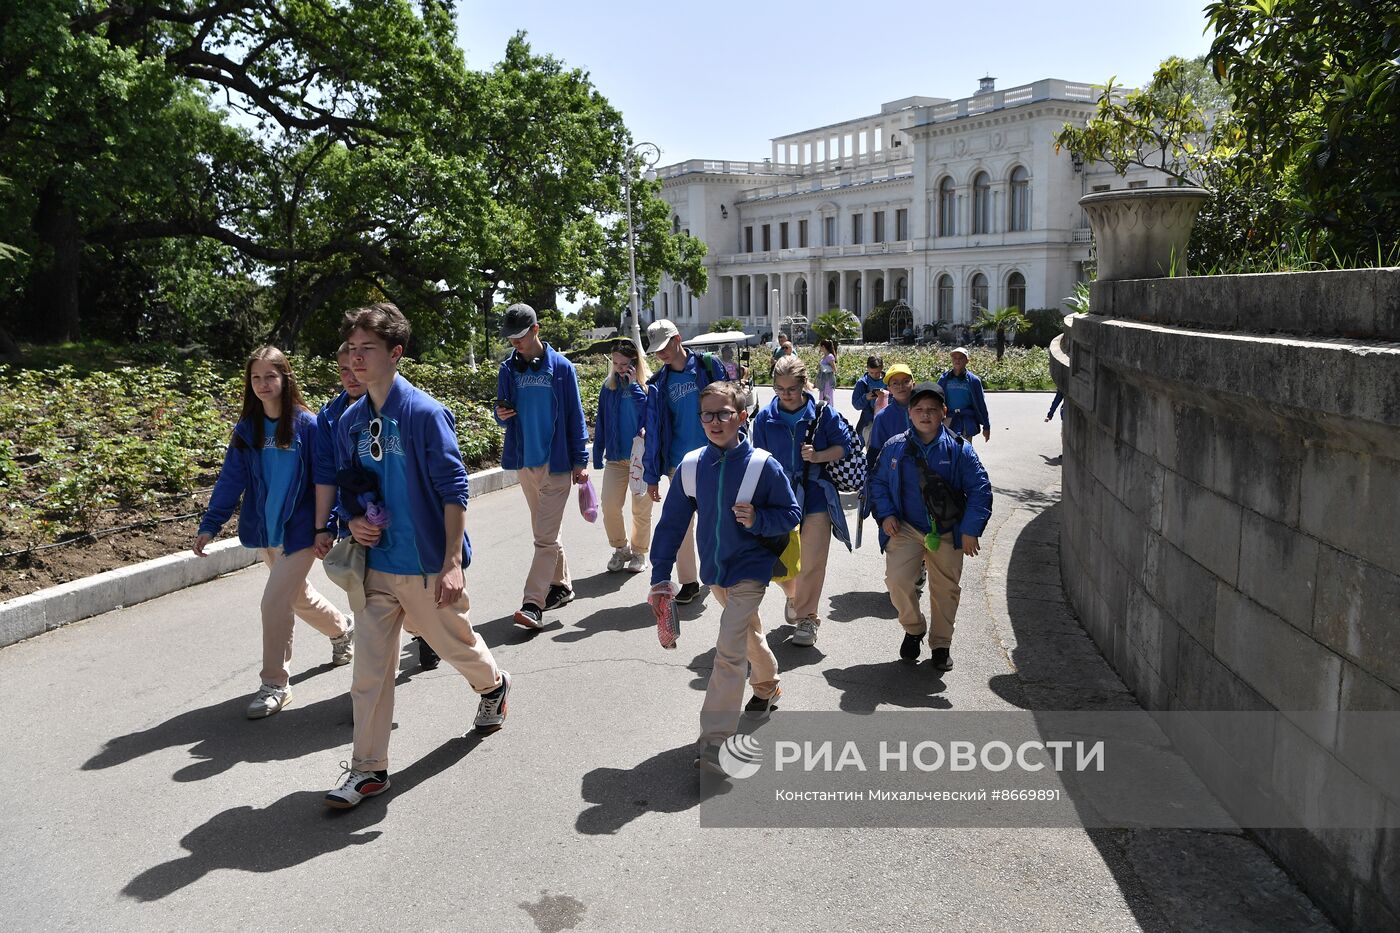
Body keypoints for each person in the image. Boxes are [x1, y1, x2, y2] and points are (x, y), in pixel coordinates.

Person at [315, 302, 509, 809]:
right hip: (376, 568)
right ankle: (368, 770)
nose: (356, 359)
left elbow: (454, 489)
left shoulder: (424, 413)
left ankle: (494, 685)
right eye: (351, 349)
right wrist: (351, 519)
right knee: (370, 673)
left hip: (426, 563)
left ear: (395, 354)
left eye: (368, 350)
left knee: (456, 646)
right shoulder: (351, 419)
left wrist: (450, 563)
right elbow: (350, 486)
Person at [648, 381, 802, 775]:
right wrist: (661, 576)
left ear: (742, 417)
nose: (715, 422)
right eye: (707, 414)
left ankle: (715, 742)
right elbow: (670, 525)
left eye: (724, 413)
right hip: (715, 572)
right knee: (747, 637)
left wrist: (759, 519)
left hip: (751, 569)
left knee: (729, 649)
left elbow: (790, 514)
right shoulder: (691, 466)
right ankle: (767, 688)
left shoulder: (762, 465)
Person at [195, 346, 353, 720]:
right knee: (296, 597)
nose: (263, 384)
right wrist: (210, 524)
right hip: (266, 530)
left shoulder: (308, 425)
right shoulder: (247, 429)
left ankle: (275, 684)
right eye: (256, 377)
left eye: (270, 376)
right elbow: (230, 479)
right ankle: (341, 630)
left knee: (273, 602)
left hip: (300, 532)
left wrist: (323, 526)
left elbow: (324, 479)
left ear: (285, 378)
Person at [316, 344, 439, 672]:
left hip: (411, 546)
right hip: (365, 539)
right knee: (372, 632)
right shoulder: (332, 417)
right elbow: (334, 476)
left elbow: (446, 484)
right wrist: (336, 521)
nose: (351, 374)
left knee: (417, 615)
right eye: (343, 369)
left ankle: (426, 634)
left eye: (356, 364)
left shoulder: (412, 408)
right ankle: (369, 697)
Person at [868, 382, 993, 672]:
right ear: (909, 413)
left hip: (948, 529)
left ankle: (941, 644)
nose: (926, 415)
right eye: (919, 409)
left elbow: (979, 489)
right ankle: (913, 629)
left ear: (943, 413)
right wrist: (885, 514)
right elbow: (878, 482)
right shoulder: (894, 447)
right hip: (905, 527)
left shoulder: (960, 450)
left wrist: (970, 529)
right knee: (896, 581)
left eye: (932, 410)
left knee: (945, 589)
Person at [494, 303, 590, 629]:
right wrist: (501, 414)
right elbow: (500, 410)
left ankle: (532, 603)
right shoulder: (508, 369)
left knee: (543, 538)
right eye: (510, 337)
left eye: (519, 336)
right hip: (525, 462)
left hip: (558, 464)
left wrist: (581, 461)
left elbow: (575, 417)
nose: (514, 343)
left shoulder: (561, 368)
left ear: (536, 329)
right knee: (545, 531)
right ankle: (561, 586)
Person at [751, 355, 852, 647]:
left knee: (812, 561)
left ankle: (808, 618)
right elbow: (758, 460)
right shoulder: (764, 419)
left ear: (804, 385)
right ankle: (794, 595)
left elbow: (843, 447)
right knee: (779, 562)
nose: (785, 395)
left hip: (816, 496)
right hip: (779, 498)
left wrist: (818, 456)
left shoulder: (823, 414)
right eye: (779, 389)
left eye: (791, 389)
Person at [642, 319, 730, 605]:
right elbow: (654, 431)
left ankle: (721, 570)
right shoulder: (658, 384)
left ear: (678, 339)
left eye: (665, 346)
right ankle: (689, 582)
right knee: (681, 524)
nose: (661, 354)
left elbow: (731, 403)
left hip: (714, 456)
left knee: (717, 518)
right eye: (656, 350)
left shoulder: (707, 366)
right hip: (678, 463)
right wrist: (652, 475)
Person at [594, 338, 652, 574]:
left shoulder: (647, 385)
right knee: (609, 506)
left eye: (623, 362)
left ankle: (639, 552)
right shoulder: (608, 388)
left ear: (635, 362)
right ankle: (621, 548)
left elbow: (650, 414)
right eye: (615, 362)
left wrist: (634, 387)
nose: (618, 367)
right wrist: (597, 453)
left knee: (641, 509)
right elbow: (601, 423)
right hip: (616, 457)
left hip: (642, 457)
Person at [866, 362, 914, 470]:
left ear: (913, 384)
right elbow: (875, 452)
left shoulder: (923, 410)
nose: (901, 386)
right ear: (889, 389)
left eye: (906, 381)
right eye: (895, 383)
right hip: (894, 471)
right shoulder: (882, 417)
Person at [938, 347, 992, 443]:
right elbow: (936, 399)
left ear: (967, 361)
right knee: (947, 449)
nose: (957, 360)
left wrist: (986, 426)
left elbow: (981, 404)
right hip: (948, 418)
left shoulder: (973, 381)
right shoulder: (944, 379)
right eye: (955, 358)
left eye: (961, 358)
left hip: (966, 420)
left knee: (965, 450)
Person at [851, 355, 887, 441]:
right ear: (867, 368)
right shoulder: (862, 383)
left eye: (877, 373)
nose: (875, 375)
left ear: (882, 368)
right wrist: (866, 397)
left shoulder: (889, 380)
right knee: (859, 443)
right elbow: (856, 405)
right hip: (868, 419)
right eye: (871, 373)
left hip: (886, 418)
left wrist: (886, 395)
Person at [816, 338, 838, 406]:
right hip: (823, 380)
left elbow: (834, 369)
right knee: (822, 398)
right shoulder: (824, 356)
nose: (819, 348)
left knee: (827, 397)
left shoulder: (830, 356)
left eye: (820, 346)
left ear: (823, 347)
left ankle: (828, 412)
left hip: (828, 381)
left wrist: (825, 369)